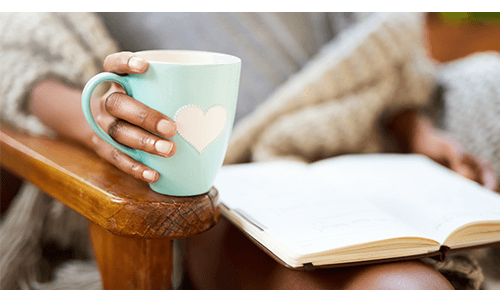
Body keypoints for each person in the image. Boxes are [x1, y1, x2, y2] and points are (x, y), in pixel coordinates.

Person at [0, 12, 497, 290]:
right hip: (219, 196)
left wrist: (419, 132)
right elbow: (19, 62)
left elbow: (378, 65)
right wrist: (100, 120)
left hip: (348, 165)